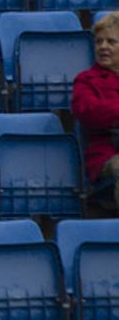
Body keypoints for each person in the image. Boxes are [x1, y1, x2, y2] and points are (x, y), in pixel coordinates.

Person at [71, 12, 119, 212]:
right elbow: (89, 112)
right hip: (106, 155)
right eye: (99, 42)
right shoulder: (86, 80)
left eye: (111, 41)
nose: (103, 47)